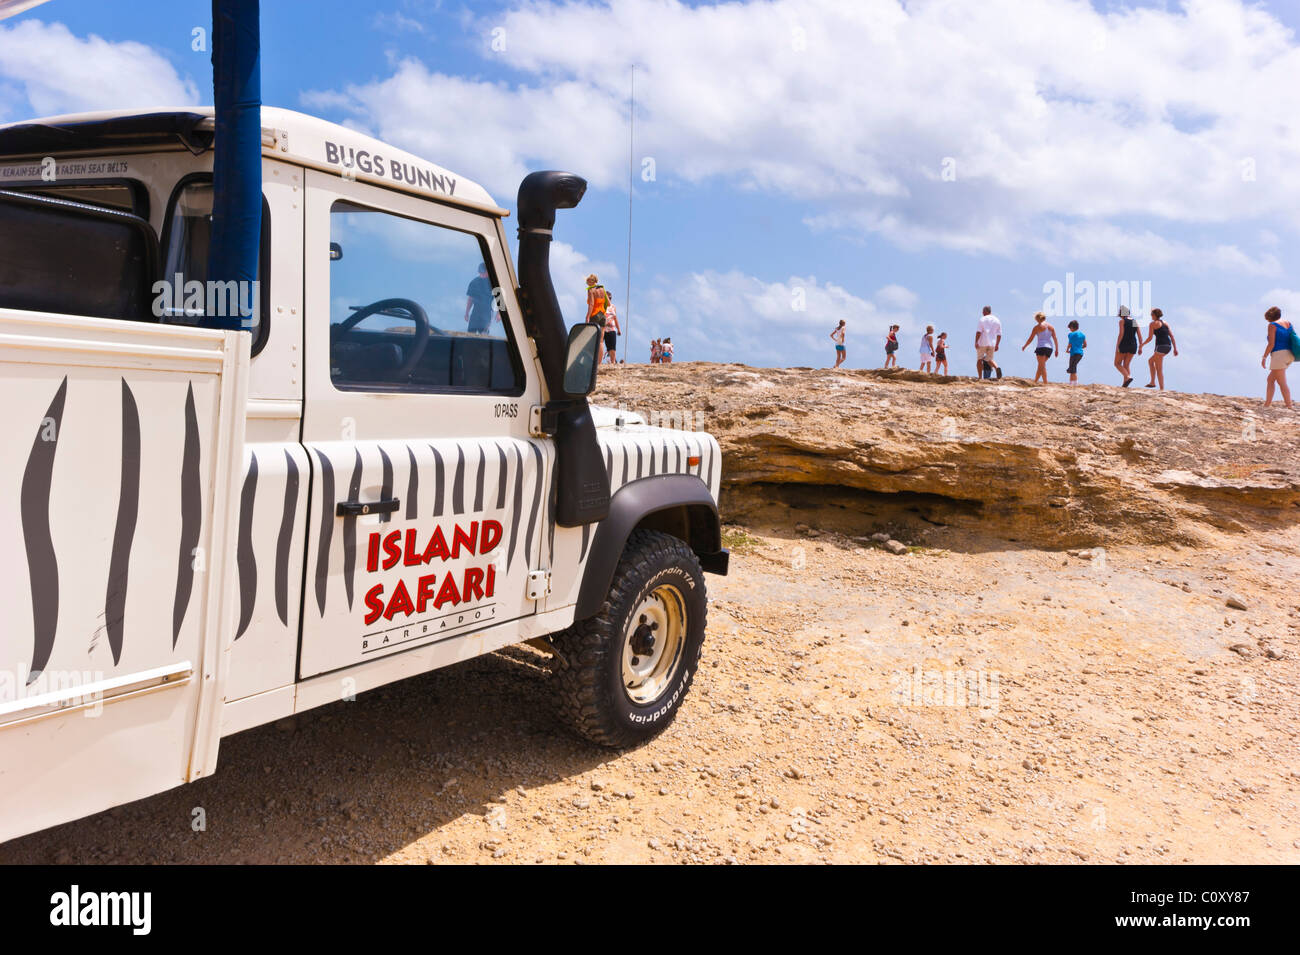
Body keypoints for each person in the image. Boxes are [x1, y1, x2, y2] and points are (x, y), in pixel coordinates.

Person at [1262, 305, 1294, 409]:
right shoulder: (1288, 324)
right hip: (1290, 355)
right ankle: (1267, 404)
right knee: (1270, 379)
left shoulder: (1272, 325)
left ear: (1269, 317)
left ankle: (1289, 406)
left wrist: (1264, 357)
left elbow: (1271, 344)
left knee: (1282, 382)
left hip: (1279, 355)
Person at [1139, 308, 1177, 390]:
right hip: (1168, 347)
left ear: (1154, 315)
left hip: (1160, 347)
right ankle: (1153, 382)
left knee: (1159, 368)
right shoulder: (1165, 322)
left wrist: (1142, 345)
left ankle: (1161, 388)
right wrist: (1175, 349)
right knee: (1151, 361)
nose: (1150, 316)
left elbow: (1150, 338)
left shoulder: (1152, 324)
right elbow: (1172, 336)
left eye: (1151, 314)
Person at [1020, 311, 1059, 384]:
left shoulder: (1037, 327)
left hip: (1041, 347)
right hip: (1049, 348)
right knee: (1040, 366)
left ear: (1038, 318)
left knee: (1042, 366)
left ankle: (1045, 383)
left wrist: (1025, 346)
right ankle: (1035, 381)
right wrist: (1057, 350)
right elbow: (1055, 339)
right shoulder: (1051, 327)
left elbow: (1030, 339)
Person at [464, 262, 496, 334]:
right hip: (475, 313)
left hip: (487, 314)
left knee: (484, 336)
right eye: (480, 273)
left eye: (483, 272)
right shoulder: (474, 282)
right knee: (470, 334)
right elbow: (470, 299)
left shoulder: (494, 283)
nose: (481, 274)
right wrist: (467, 313)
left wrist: (499, 314)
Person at [1114, 305, 1141, 387]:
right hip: (1133, 345)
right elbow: (1140, 335)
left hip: (1124, 344)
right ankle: (1125, 383)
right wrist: (1140, 347)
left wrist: (1117, 346)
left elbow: (1121, 334)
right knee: (1126, 365)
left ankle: (1127, 377)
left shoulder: (1122, 321)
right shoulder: (1135, 321)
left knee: (1117, 363)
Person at [975, 306, 1002, 379]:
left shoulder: (982, 319)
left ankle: (980, 377)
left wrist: (976, 341)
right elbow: (999, 334)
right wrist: (997, 345)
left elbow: (978, 332)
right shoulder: (997, 320)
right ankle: (996, 368)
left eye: (983, 311)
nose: (982, 313)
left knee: (979, 359)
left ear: (985, 311)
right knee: (988, 359)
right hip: (992, 343)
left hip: (982, 342)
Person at [1066, 320, 1086, 384]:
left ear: (1071, 327)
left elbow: (1070, 343)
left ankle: (1074, 383)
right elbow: (1085, 345)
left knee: (1072, 368)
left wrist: (1067, 349)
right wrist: (1079, 348)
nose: (1069, 329)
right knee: (1072, 367)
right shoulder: (1082, 335)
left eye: (1070, 328)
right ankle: (1071, 383)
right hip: (1080, 353)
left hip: (1073, 353)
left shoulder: (1070, 334)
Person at [603, 294, 621, 364]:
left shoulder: (613, 307)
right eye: (607, 297)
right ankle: (598, 362)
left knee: (612, 347)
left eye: (610, 298)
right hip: (603, 328)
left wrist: (619, 329)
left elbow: (615, 318)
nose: (609, 299)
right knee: (600, 345)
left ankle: (613, 362)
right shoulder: (601, 306)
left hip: (611, 329)